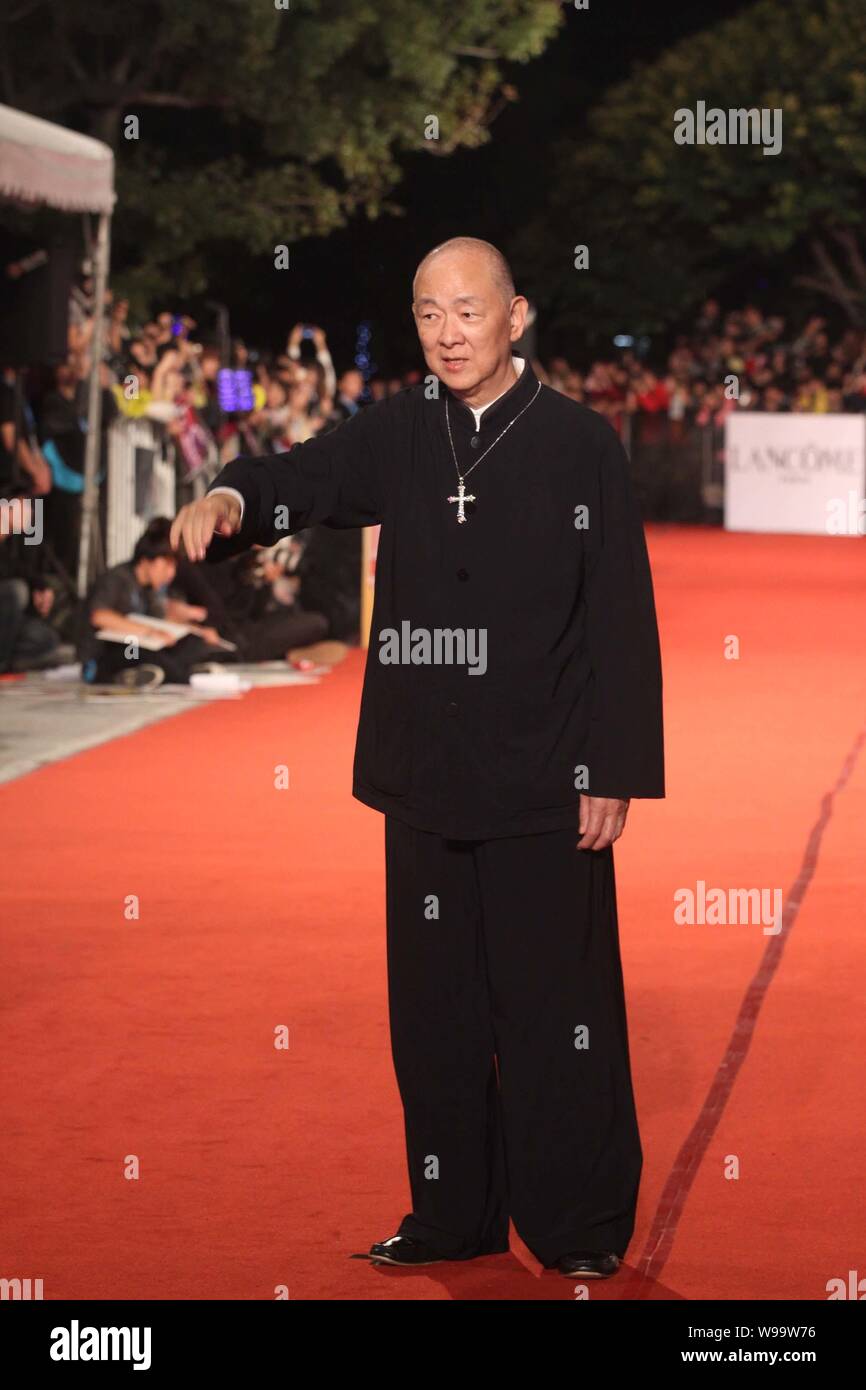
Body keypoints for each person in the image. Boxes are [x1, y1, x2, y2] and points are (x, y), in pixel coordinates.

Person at [171, 236, 664, 1279]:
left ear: (515, 315)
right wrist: (231, 499)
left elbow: (621, 615)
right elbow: (301, 477)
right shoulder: (400, 429)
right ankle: (451, 1215)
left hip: (544, 778)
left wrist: (612, 765)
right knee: (434, 1017)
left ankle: (577, 1225)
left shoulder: (580, 444)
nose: (446, 332)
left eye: (467, 311)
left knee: (554, 1013)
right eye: (427, 313)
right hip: (425, 773)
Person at [79, 531, 221, 688]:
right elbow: (99, 617)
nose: (171, 573)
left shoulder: (148, 590)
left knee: (190, 643)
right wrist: (149, 632)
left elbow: (160, 622)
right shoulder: (117, 578)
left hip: (140, 648)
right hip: (105, 655)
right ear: (146, 560)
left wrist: (195, 630)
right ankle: (182, 675)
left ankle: (153, 673)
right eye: (167, 564)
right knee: (144, 653)